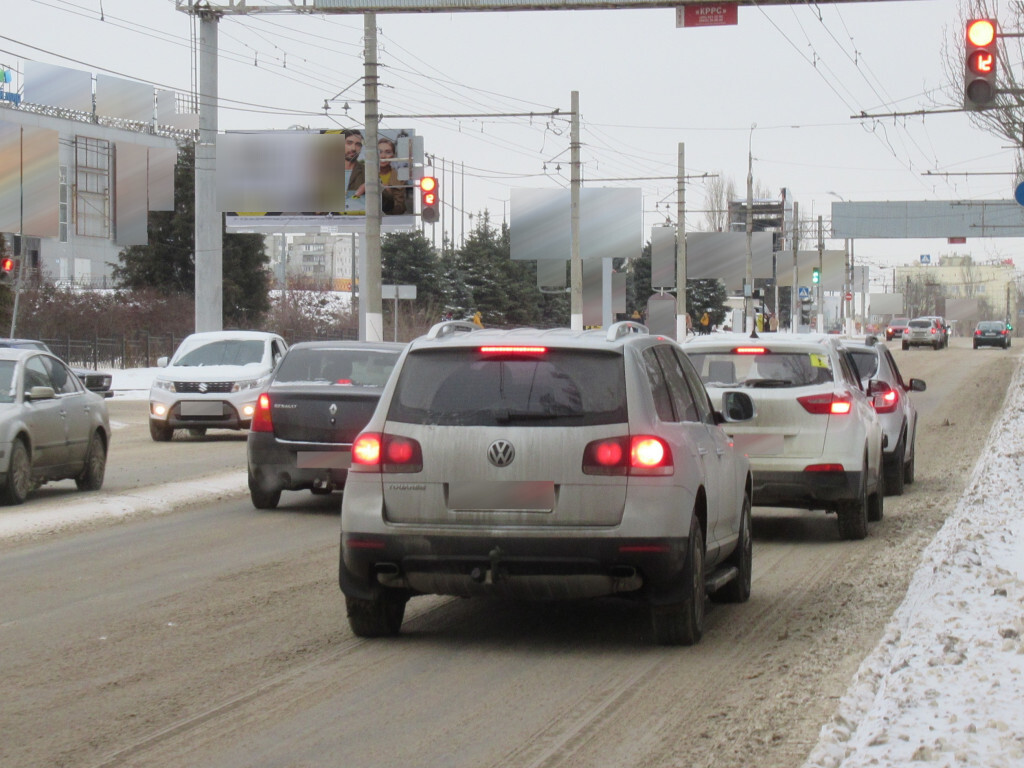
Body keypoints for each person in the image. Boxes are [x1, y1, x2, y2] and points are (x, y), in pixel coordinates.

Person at [377, 137, 407, 215]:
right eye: (379, 152)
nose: (383, 156)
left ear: (393, 155)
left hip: (389, 221)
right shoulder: (364, 174)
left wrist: (386, 192)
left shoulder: (399, 177)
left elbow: (400, 208)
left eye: (388, 152)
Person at [343, 129, 366, 211]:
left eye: (358, 144)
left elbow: (387, 205)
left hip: (358, 221)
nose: (353, 148)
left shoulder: (368, 172)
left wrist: (374, 187)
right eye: (349, 143)